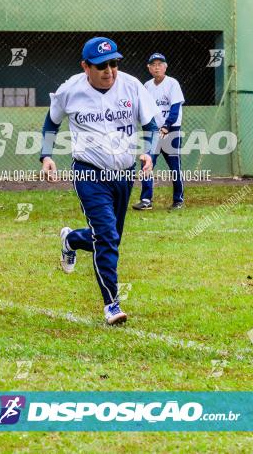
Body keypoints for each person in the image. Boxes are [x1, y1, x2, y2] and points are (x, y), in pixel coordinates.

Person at [40, 37, 159, 325]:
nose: (109, 70)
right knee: (106, 236)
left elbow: (152, 126)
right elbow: (51, 123)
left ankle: (70, 238)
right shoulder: (71, 89)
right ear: (85, 66)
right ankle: (111, 305)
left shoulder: (131, 85)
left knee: (109, 239)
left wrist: (150, 153)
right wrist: (46, 155)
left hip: (123, 174)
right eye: (101, 65)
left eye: (114, 63)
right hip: (89, 173)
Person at [132, 53, 185, 211]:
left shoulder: (172, 84)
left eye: (160, 64)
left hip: (171, 131)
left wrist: (166, 126)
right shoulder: (147, 86)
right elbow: (144, 108)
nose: (157, 67)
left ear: (165, 66)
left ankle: (178, 200)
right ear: (148, 67)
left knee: (174, 166)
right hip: (154, 132)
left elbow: (175, 109)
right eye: (153, 64)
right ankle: (146, 199)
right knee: (147, 163)